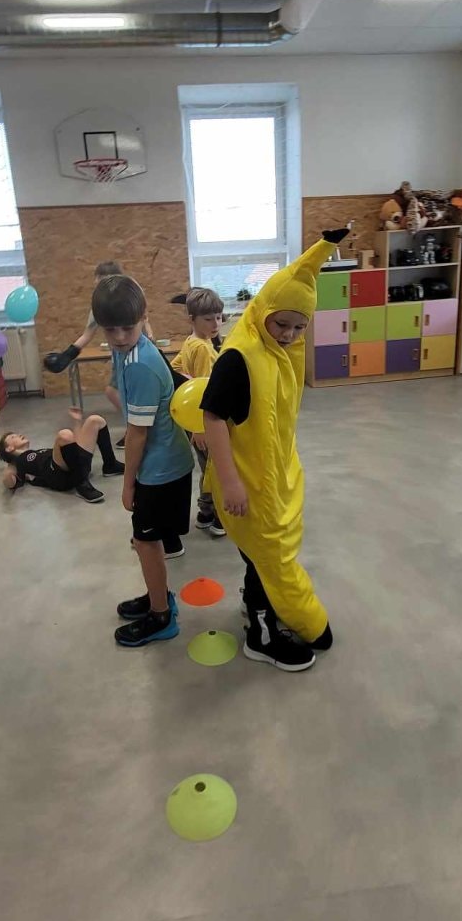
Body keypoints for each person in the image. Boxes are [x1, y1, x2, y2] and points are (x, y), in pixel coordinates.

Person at [201, 231, 348, 672]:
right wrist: (230, 481)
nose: (289, 335)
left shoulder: (280, 355)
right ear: (262, 310)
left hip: (274, 480)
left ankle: (258, 607)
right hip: (246, 485)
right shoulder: (239, 357)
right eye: (281, 324)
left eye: (299, 327)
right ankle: (260, 636)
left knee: (263, 558)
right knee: (266, 558)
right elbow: (213, 418)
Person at [94, 274, 194, 647]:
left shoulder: (140, 364)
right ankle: (158, 596)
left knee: (145, 541)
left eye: (128, 327)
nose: (120, 336)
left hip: (161, 469)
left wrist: (127, 484)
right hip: (161, 464)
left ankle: (161, 616)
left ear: (143, 318)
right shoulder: (128, 350)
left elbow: (137, 434)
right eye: (111, 329)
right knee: (145, 539)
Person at [171, 286, 226, 539]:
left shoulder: (192, 342)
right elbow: (204, 392)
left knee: (208, 468)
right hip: (204, 423)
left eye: (219, 317)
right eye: (208, 319)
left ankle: (205, 513)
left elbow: (175, 369)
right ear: (191, 319)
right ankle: (218, 517)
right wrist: (200, 428)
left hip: (196, 422)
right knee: (215, 468)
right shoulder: (203, 348)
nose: (216, 324)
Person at [42, 260, 153, 376]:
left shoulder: (131, 300)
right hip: (120, 355)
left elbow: (145, 324)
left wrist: (150, 343)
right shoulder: (101, 306)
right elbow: (87, 334)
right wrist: (66, 356)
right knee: (116, 385)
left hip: (139, 354)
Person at [0, 407, 123, 503]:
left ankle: (110, 465)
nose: (18, 435)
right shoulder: (17, 463)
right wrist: (9, 467)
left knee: (95, 420)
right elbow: (9, 482)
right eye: (13, 437)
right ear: (9, 448)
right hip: (58, 476)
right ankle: (81, 484)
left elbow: (74, 446)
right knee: (64, 435)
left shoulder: (36, 452)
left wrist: (77, 422)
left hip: (75, 466)